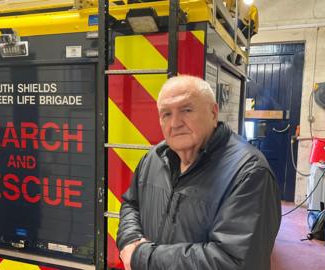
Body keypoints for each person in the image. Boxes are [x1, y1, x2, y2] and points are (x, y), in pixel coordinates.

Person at [116, 75, 281, 270]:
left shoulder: (249, 173)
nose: (175, 123)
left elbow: (234, 261)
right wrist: (130, 240)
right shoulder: (154, 158)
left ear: (213, 113)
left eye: (186, 110)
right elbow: (131, 204)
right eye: (166, 114)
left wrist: (143, 257)